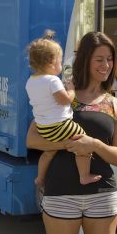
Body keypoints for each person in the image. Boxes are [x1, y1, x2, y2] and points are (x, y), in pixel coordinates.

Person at [27, 31, 117, 234]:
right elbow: (32, 140)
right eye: (99, 59)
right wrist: (67, 144)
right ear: (85, 61)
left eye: (109, 59)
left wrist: (92, 144)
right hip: (61, 193)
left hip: (102, 195)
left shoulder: (115, 106)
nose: (106, 65)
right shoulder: (64, 95)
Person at [25, 30, 101, 187]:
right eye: (60, 62)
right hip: (60, 124)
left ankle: (40, 178)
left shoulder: (30, 81)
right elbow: (65, 101)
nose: (61, 65)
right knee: (84, 143)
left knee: (49, 152)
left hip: (43, 127)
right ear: (51, 63)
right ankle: (84, 176)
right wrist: (71, 89)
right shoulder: (52, 81)